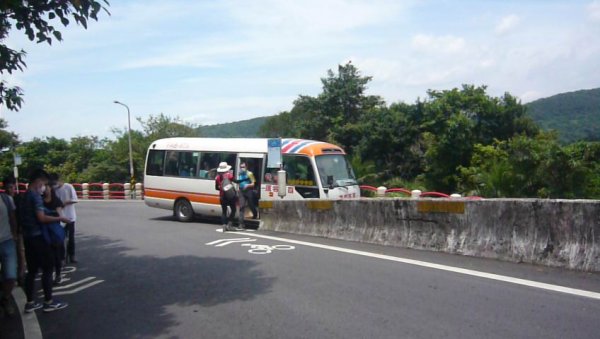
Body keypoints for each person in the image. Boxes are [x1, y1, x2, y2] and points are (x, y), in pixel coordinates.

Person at [21, 169, 70, 313]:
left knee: (32, 271)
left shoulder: (23, 197)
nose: (44, 186)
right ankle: (48, 302)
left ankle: (30, 302)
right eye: (43, 183)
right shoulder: (35, 197)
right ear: (38, 181)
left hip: (27, 238)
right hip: (39, 238)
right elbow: (41, 218)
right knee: (48, 268)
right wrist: (59, 218)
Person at [0, 177, 18, 317]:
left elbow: (13, 218)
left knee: (11, 276)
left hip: (7, 241)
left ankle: (5, 298)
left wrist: (15, 235)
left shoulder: (6, 199)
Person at [52, 173, 78, 264]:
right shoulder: (54, 190)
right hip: (60, 217)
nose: (55, 184)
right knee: (60, 238)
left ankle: (72, 255)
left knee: (71, 238)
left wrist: (65, 202)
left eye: (56, 182)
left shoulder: (68, 187)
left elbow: (75, 199)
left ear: (60, 180)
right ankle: (62, 257)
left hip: (70, 216)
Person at [43, 181, 65, 285]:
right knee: (47, 255)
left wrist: (63, 219)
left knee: (56, 255)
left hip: (55, 231)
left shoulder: (56, 201)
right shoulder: (39, 201)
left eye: (47, 187)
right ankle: (48, 274)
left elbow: (60, 214)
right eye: (44, 187)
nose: (46, 189)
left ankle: (58, 274)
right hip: (43, 231)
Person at [214, 162, 237, 231]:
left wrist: (222, 188)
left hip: (222, 197)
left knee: (224, 211)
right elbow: (236, 181)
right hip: (230, 196)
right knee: (233, 210)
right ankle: (229, 225)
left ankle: (224, 226)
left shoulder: (217, 177)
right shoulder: (229, 175)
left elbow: (216, 188)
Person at [237, 162, 257, 229]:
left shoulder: (249, 174)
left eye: (243, 167)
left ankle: (255, 214)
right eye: (241, 167)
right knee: (241, 207)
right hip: (241, 191)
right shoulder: (240, 173)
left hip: (248, 191)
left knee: (251, 204)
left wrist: (247, 185)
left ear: (246, 167)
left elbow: (253, 184)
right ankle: (241, 224)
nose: (242, 168)